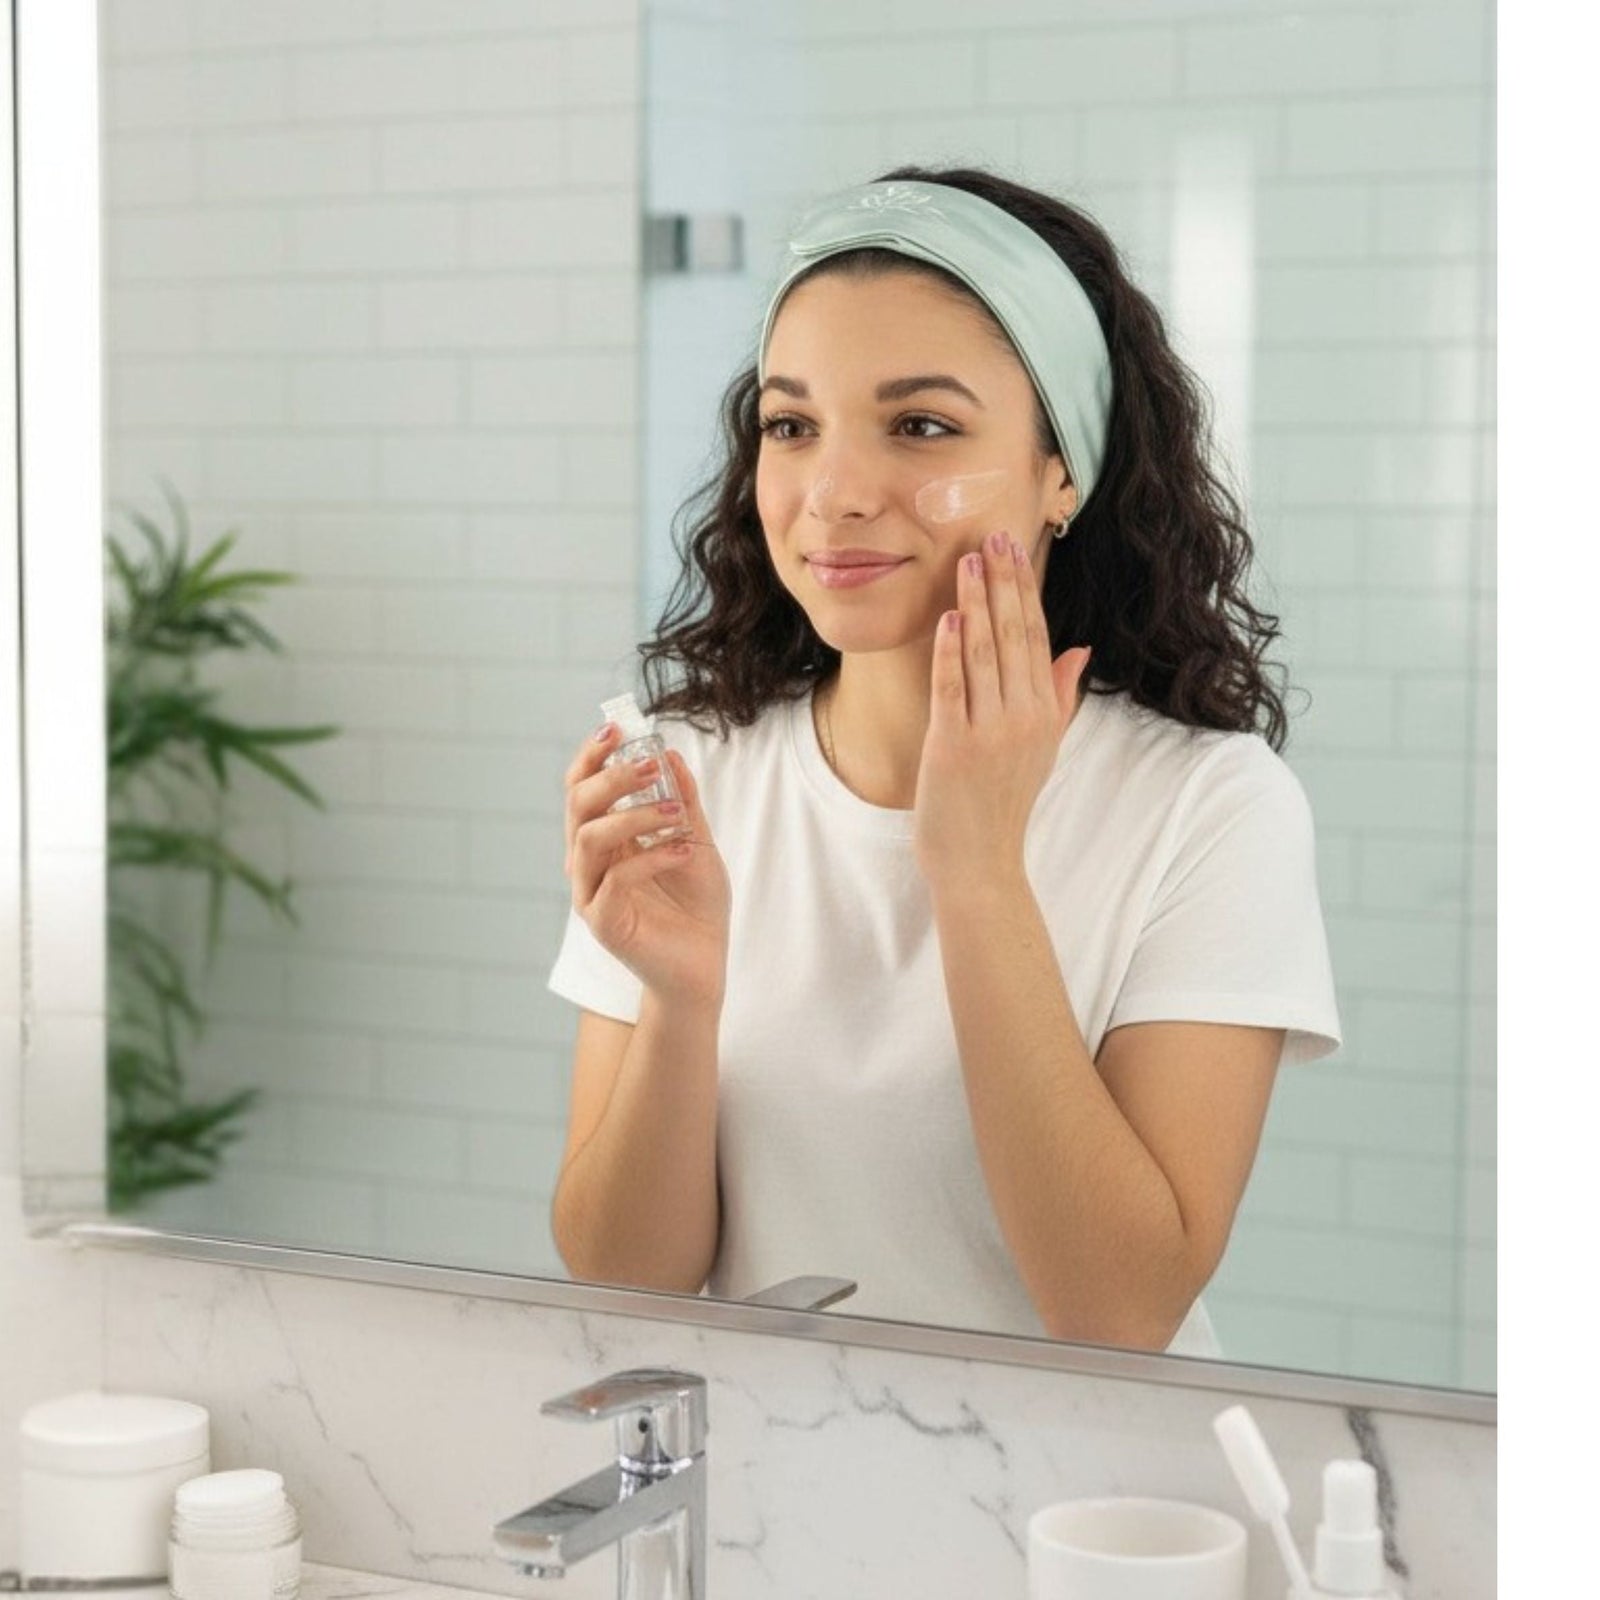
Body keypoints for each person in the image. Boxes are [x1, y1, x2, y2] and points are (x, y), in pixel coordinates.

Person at [546, 165, 1341, 1357]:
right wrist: (679, 996)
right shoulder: (695, 771)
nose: (834, 494)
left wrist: (974, 869)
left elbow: (1120, 1312)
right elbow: (625, 1283)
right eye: (790, 424)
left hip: (1101, 1521)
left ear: (1059, 469)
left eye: (921, 426)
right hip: (786, 1497)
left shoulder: (1207, 807)